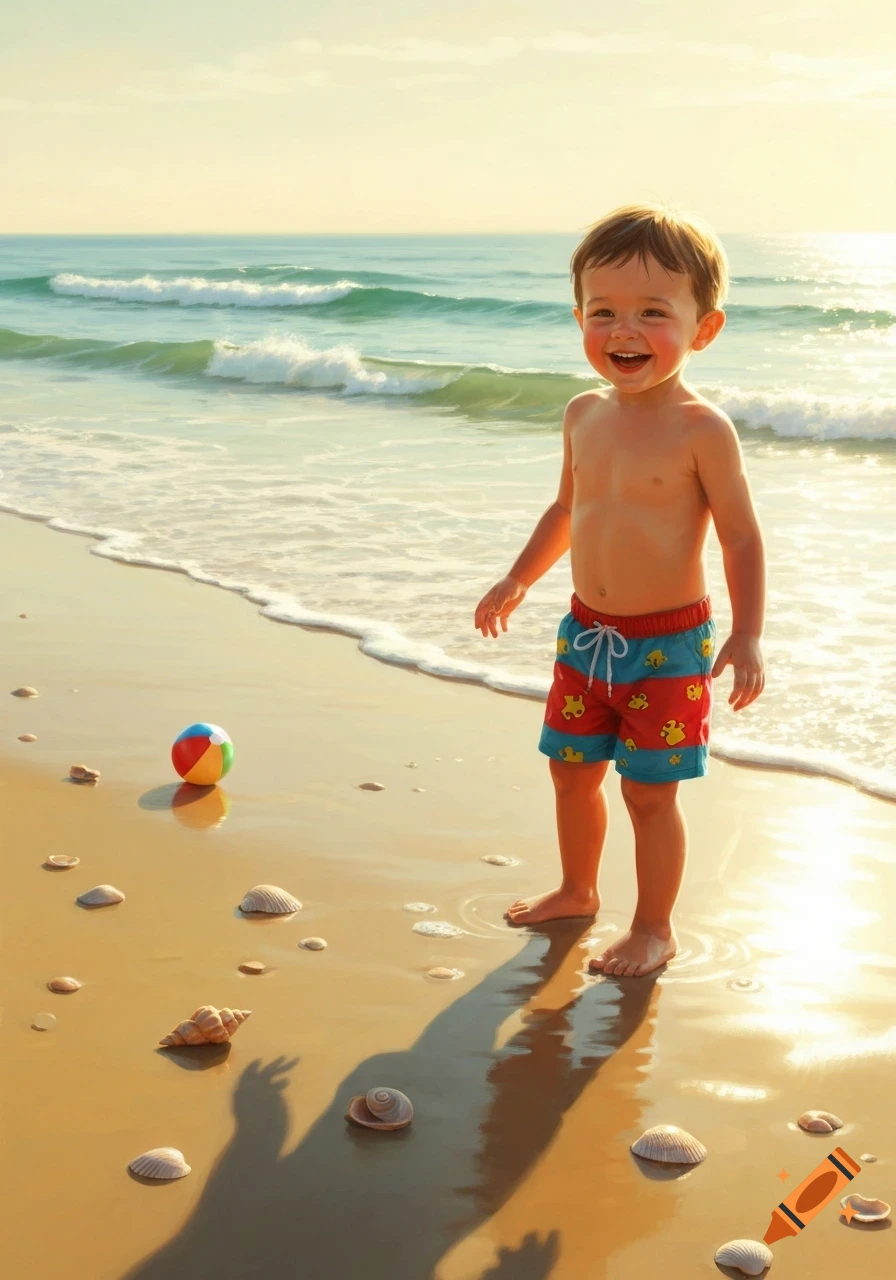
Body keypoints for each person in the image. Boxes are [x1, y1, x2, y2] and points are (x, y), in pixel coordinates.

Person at [473, 203, 766, 978]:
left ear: (704, 329)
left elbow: (740, 535)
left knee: (649, 793)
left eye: (652, 314)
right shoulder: (582, 414)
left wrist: (747, 633)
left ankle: (654, 928)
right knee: (570, 770)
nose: (624, 331)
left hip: (669, 648)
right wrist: (518, 577)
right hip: (587, 635)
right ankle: (576, 888)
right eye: (604, 312)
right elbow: (569, 508)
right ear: (579, 318)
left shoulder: (703, 430)